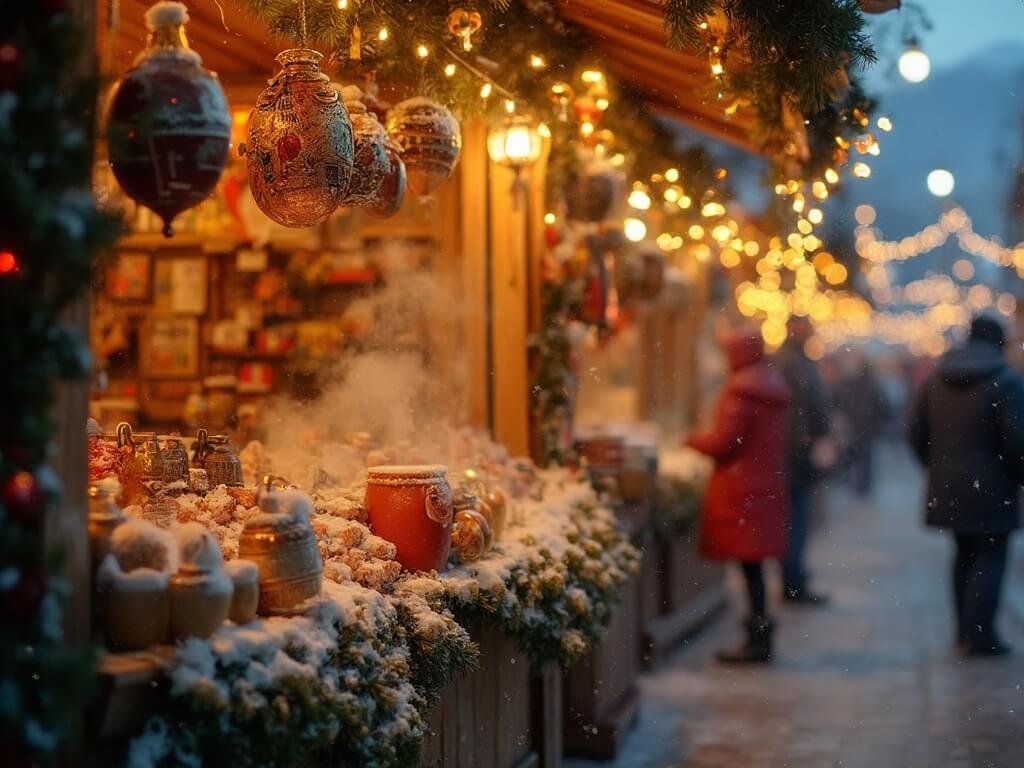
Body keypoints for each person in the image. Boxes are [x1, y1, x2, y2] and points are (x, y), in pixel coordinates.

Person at [908, 316, 1024, 656]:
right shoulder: (1007, 382)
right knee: (990, 556)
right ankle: (980, 635)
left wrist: (938, 467)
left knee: (963, 555)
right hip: (994, 488)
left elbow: (915, 434)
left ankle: (964, 631)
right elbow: (1016, 441)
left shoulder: (935, 381)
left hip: (949, 487)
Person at [687, 329, 792, 663]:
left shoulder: (741, 392)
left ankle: (758, 639)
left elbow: (724, 442)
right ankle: (760, 634)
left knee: (751, 569)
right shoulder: (768, 385)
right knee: (755, 568)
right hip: (763, 487)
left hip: (742, 491)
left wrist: (692, 440)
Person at [773, 317, 831, 605]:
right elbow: (815, 408)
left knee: (790, 520)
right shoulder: (799, 365)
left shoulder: (780, 362)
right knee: (796, 521)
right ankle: (793, 581)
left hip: (783, 454)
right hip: (796, 455)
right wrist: (816, 438)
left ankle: (792, 578)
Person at [834, 352, 885, 496]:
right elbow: (836, 402)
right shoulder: (844, 382)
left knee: (864, 458)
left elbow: (880, 405)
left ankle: (863, 487)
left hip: (865, 427)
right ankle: (852, 482)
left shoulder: (870, 383)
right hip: (850, 428)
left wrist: (875, 421)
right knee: (851, 455)